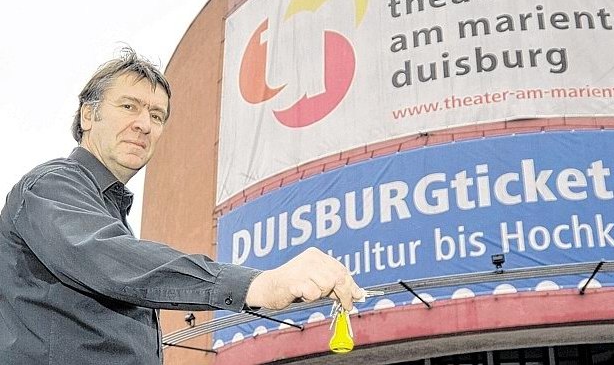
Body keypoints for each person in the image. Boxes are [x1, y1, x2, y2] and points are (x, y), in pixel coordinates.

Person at [0, 48, 364, 365]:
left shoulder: (111, 210)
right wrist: (258, 284)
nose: (144, 124)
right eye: (129, 106)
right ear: (88, 116)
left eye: (157, 116)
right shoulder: (50, 184)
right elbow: (112, 260)